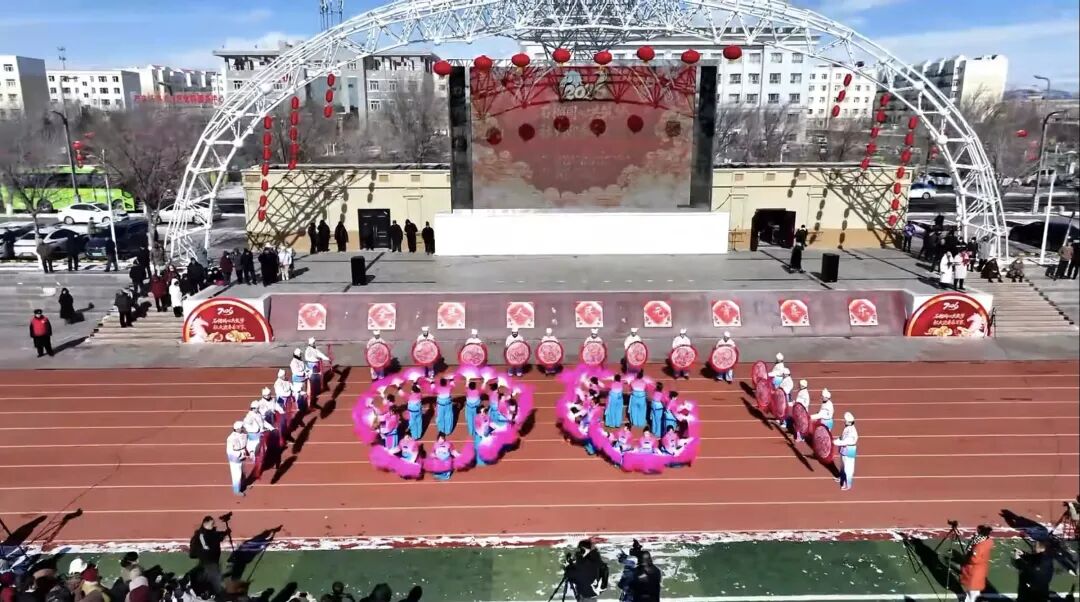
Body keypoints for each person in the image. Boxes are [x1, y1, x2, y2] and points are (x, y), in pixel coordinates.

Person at [189, 516, 228, 596]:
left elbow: (216, 537)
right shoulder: (202, 535)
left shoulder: (207, 533)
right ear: (205, 524)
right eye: (212, 524)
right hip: (209, 562)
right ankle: (217, 594)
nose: (213, 525)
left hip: (210, 562)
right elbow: (210, 542)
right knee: (215, 581)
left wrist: (224, 534)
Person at [959, 525, 994, 602]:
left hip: (974, 570)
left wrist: (968, 557)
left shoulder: (979, 546)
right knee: (974, 589)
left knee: (973, 590)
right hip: (980, 569)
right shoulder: (987, 541)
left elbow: (974, 560)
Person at [833, 411, 858, 491]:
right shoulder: (847, 428)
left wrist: (835, 443)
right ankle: (842, 477)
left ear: (849, 422)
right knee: (842, 465)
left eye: (846, 420)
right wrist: (836, 440)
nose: (844, 421)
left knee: (848, 468)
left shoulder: (852, 432)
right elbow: (842, 437)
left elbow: (845, 441)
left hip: (849, 450)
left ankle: (848, 484)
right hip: (844, 449)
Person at [226, 422, 247, 496]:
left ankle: (243, 485)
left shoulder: (243, 434)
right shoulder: (231, 438)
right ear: (237, 429)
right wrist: (239, 454)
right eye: (241, 427)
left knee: (243, 472)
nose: (243, 428)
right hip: (235, 459)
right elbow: (229, 451)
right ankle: (236, 490)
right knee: (236, 475)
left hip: (242, 455)